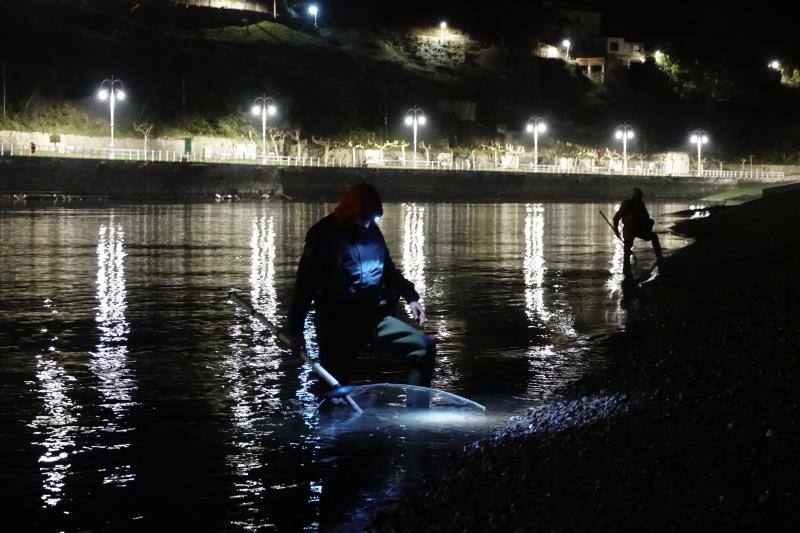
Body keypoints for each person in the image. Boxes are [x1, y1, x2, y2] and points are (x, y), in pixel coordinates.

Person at [284, 183, 435, 393]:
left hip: (374, 317)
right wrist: (295, 331)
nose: (368, 224)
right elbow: (304, 285)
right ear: (350, 213)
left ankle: (417, 414)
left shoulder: (372, 232)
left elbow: (388, 271)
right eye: (364, 218)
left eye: (373, 218)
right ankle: (329, 418)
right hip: (337, 325)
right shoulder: (322, 235)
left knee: (424, 348)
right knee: (334, 386)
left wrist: (411, 297)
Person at [613, 188, 663, 276]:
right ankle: (626, 272)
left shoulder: (641, 204)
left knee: (654, 237)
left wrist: (647, 225)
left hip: (640, 229)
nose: (639, 199)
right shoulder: (626, 204)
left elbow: (646, 217)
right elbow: (616, 218)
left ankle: (660, 258)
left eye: (640, 197)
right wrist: (616, 231)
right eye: (638, 197)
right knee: (627, 250)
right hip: (629, 229)